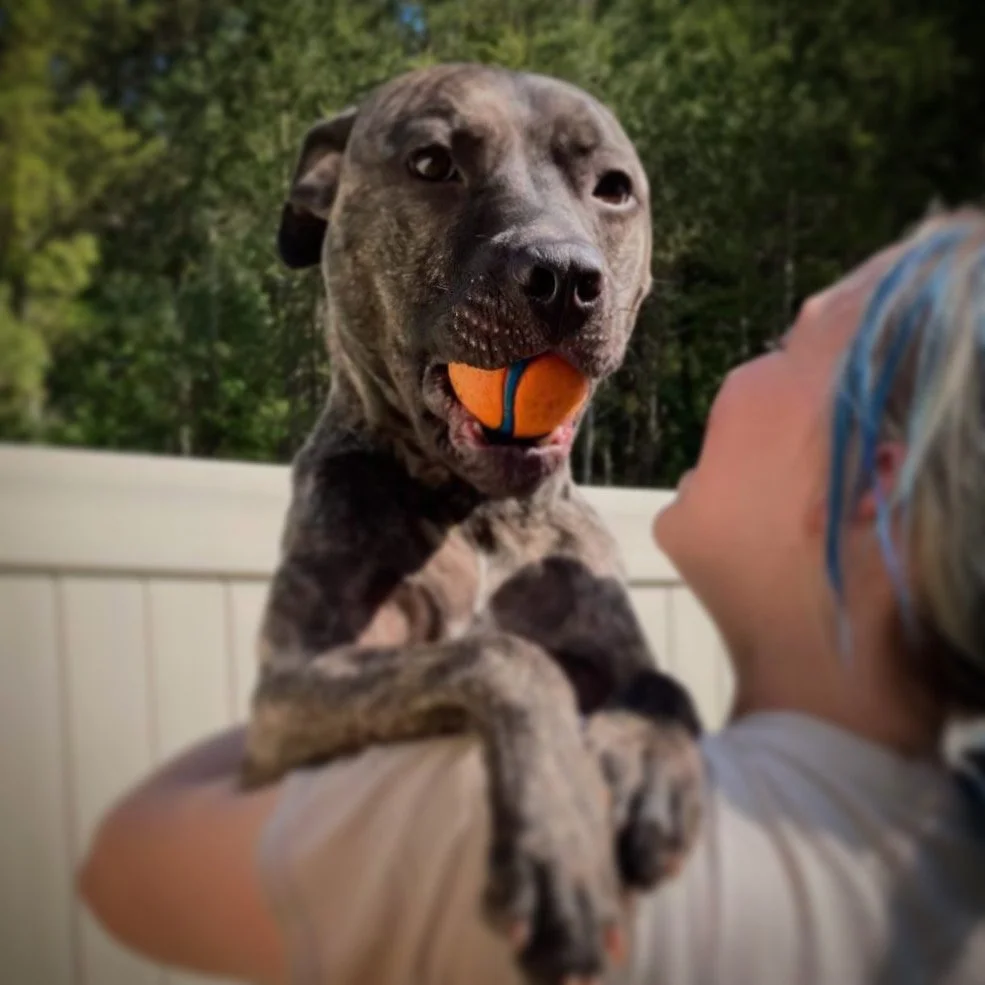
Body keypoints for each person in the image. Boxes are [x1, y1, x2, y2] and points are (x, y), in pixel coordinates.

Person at [78, 207, 985, 985]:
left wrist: (443, 671)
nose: (738, 370)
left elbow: (126, 859)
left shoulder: (536, 826)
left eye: (785, 343)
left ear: (873, 484)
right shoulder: (951, 857)